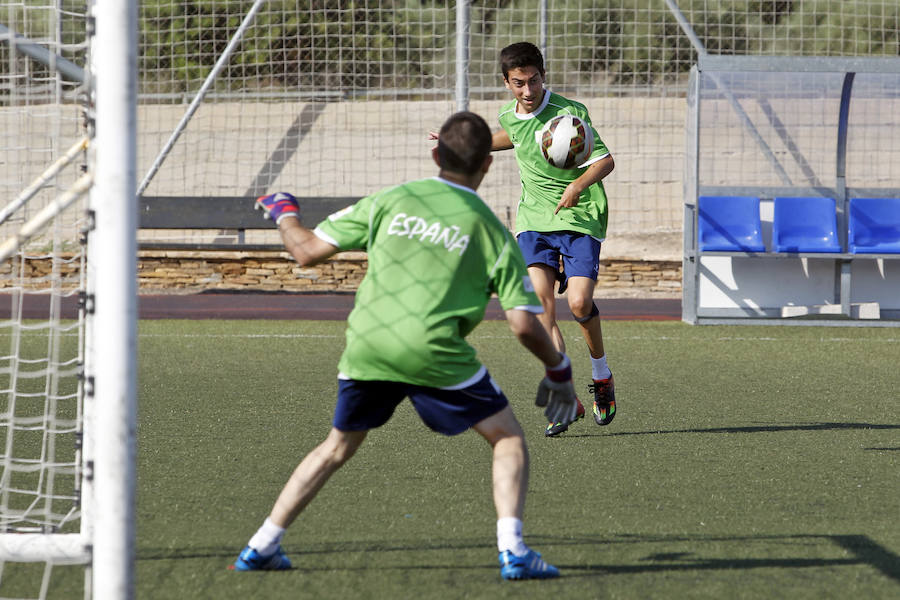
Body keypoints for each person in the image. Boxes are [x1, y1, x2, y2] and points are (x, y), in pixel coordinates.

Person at [231, 111, 578, 580]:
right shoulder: (490, 228)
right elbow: (522, 323)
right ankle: (513, 550)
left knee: (337, 446)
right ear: (487, 166)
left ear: (437, 155)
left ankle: (262, 544)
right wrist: (557, 368)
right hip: (436, 353)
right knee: (508, 437)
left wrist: (285, 213)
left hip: (369, 345)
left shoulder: (393, 199)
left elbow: (306, 251)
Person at [494, 41, 617, 437]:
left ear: (543, 76)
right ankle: (565, 397)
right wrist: (464, 141)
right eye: (518, 84)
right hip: (534, 219)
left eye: (532, 81)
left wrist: (578, 185)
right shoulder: (509, 116)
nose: (527, 92)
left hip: (579, 214)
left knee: (579, 302)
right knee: (541, 309)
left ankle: (601, 375)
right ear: (507, 82)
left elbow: (605, 160)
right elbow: (512, 136)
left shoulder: (570, 113)